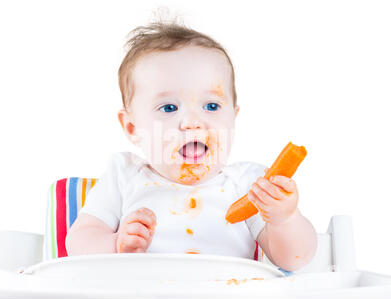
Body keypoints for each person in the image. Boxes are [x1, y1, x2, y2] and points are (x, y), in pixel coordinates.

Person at [65, 21, 317, 271]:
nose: (193, 123)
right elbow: (78, 241)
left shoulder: (248, 184)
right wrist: (115, 244)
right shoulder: (124, 175)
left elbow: (294, 259)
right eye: (169, 108)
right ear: (132, 128)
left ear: (233, 117)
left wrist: (284, 219)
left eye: (211, 106)